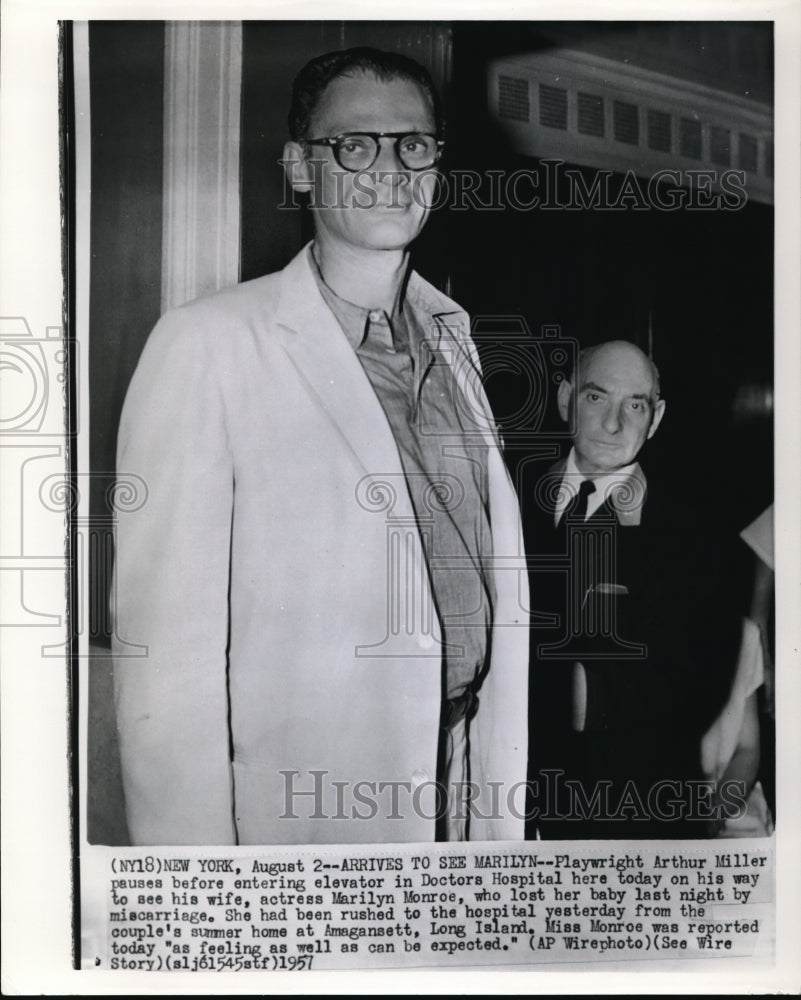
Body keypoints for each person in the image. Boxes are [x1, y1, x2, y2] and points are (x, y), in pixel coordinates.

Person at [111, 47, 528, 846]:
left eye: (414, 144)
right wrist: (201, 897)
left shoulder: (456, 339)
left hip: (463, 779)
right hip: (312, 815)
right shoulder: (209, 344)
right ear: (301, 169)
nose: (390, 169)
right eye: (354, 145)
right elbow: (166, 664)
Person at [521, 340, 740, 838]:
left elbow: (696, 677)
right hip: (512, 803)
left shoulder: (695, 530)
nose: (615, 424)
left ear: (656, 417)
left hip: (637, 810)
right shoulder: (507, 500)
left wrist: (562, 696)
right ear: (565, 400)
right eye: (597, 399)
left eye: (635, 405)